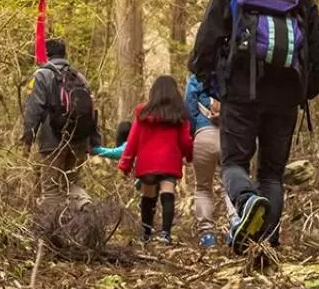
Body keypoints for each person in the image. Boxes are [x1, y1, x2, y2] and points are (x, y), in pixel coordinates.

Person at [189, 0, 319, 253]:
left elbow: (204, 47)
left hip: (240, 93)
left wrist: (213, 86)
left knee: (235, 164)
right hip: (285, 97)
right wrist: (303, 91)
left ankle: (247, 200)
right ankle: (267, 243)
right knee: (272, 174)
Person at [21, 38, 101, 205]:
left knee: (51, 190)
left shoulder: (41, 75)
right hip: (79, 140)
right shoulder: (79, 77)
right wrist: (93, 141)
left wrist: (28, 139)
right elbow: (92, 109)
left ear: (46, 54)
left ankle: (54, 230)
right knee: (72, 184)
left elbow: (33, 109)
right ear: (64, 54)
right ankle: (84, 214)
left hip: (52, 142)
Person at [118, 75, 194, 243]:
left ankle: (146, 233)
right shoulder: (179, 116)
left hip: (147, 163)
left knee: (148, 196)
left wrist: (125, 165)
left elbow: (132, 141)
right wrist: (189, 155)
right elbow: (185, 141)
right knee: (168, 193)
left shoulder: (143, 114)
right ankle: (165, 233)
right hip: (169, 161)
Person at [184, 73, 227, 248]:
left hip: (203, 135)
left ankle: (207, 234)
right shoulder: (231, 71)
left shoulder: (196, 78)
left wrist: (195, 130)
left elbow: (188, 106)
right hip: (229, 136)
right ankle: (236, 224)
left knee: (203, 187)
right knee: (230, 185)